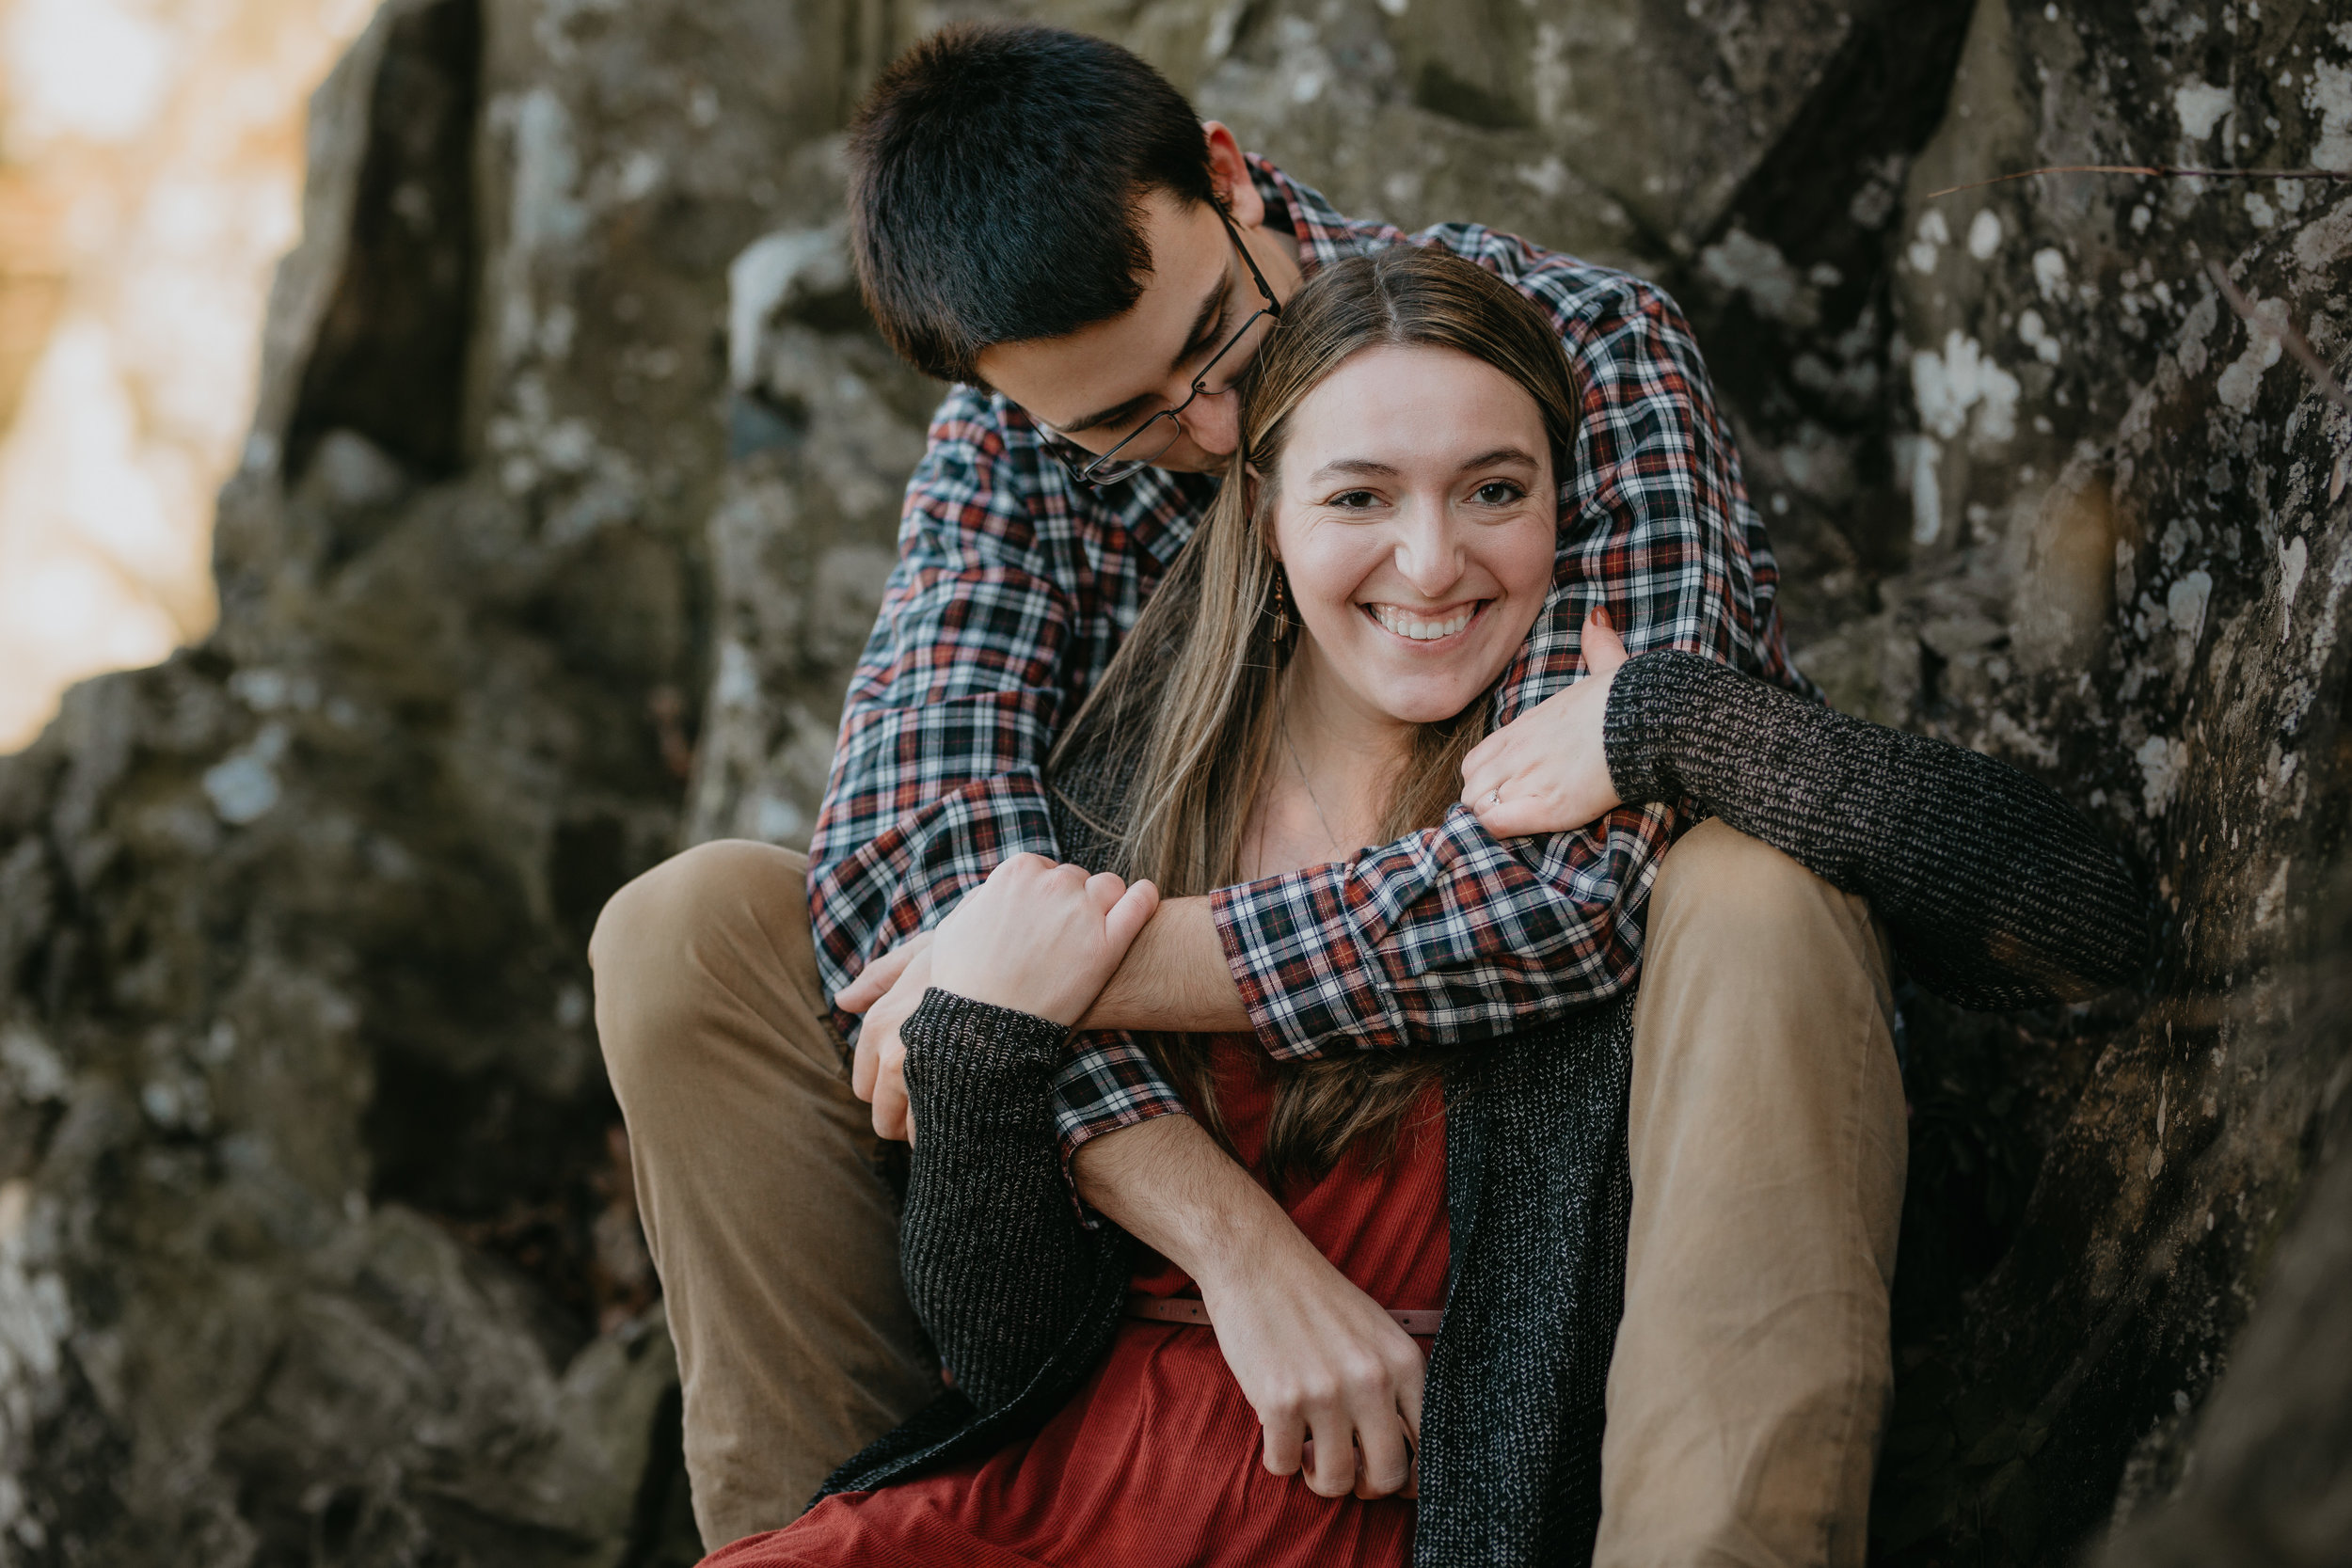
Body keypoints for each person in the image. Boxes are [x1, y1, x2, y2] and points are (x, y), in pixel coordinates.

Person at [587, 22, 2148, 1564]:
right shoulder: (1017, 447)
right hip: (1155, 1253)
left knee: (1754, 886)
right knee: (689, 929)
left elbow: (1576, 881)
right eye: (1128, 424)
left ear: (1228, 176)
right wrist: (1229, 1243)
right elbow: (903, 872)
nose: (1206, 438)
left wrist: (1051, 974)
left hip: (1549, 1112)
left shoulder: (1567, 348)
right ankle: (854, 1508)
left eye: (1217, 347)